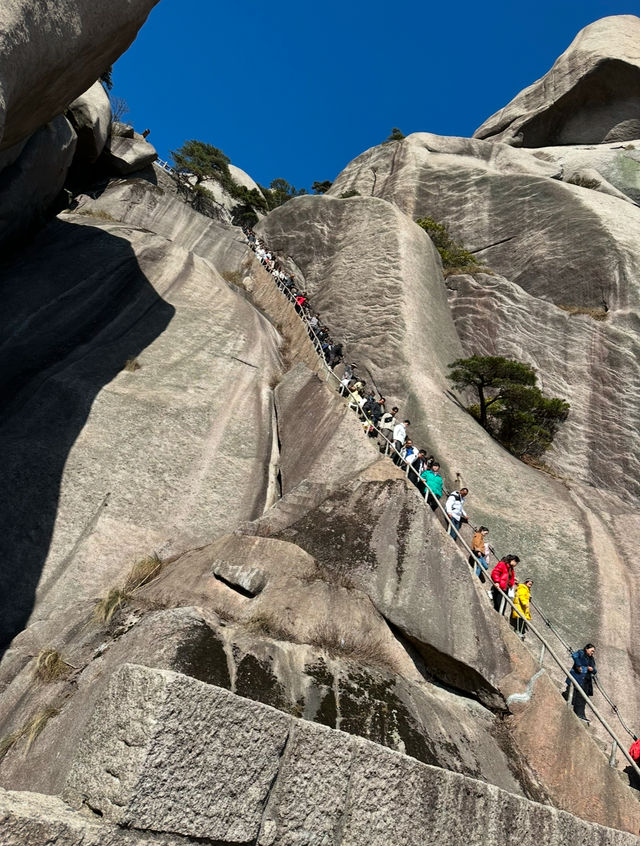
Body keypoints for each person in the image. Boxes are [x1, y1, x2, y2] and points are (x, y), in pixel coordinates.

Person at [566, 643, 597, 723]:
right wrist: (579, 666)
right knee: (579, 696)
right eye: (592, 651)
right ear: (586, 649)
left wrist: (592, 669)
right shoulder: (581, 653)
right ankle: (578, 714)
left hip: (587, 680)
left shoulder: (591, 659)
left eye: (593, 652)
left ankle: (582, 714)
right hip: (579, 678)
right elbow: (574, 655)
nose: (592, 653)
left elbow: (595, 670)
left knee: (584, 697)